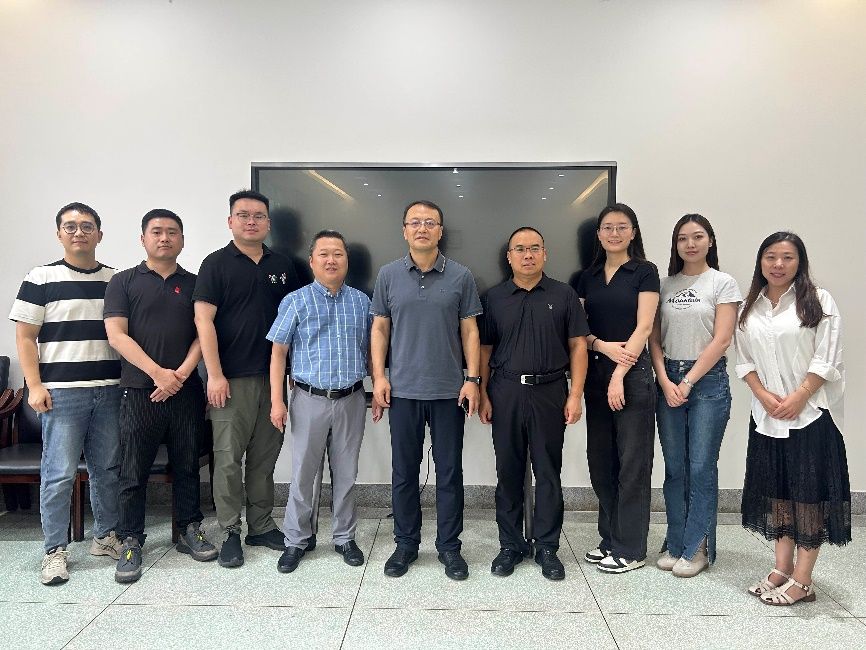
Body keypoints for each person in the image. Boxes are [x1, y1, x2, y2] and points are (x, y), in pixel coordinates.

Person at [9, 202, 123, 585]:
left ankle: (105, 536)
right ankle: (54, 551)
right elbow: (25, 337)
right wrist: (34, 385)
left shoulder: (116, 280)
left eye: (87, 226)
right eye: (70, 226)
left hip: (109, 391)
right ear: (59, 233)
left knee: (107, 470)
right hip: (62, 394)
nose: (79, 232)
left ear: (99, 234)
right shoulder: (41, 277)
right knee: (58, 474)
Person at [104, 209, 218, 583]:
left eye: (172, 232)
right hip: (140, 391)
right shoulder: (123, 282)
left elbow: (204, 333)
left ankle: (189, 529)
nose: (164, 238)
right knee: (132, 470)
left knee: (187, 465)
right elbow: (117, 335)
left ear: (182, 240)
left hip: (186, 391)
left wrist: (180, 375)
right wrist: (158, 374)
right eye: (156, 232)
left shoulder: (196, 283)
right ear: (143, 239)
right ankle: (130, 540)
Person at [371, 200, 482, 581]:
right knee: (404, 472)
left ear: (440, 231)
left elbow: (470, 330)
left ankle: (450, 547)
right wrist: (379, 377)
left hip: (449, 391)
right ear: (404, 230)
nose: (422, 228)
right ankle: (406, 544)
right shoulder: (388, 275)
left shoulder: (461, 275)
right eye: (415, 222)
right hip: (402, 390)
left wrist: (472, 379)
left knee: (450, 473)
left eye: (430, 223)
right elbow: (380, 328)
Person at [736, 232, 849, 606]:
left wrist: (800, 396)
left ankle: (803, 580)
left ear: (800, 262)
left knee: (808, 496)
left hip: (810, 414)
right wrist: (762, 394)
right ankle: (782, 569)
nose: (778, 264)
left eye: (787, 257)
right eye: (771, 256)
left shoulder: (818, 300)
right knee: (778, 493)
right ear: (761, 261)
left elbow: (827, 358)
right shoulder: (750, 307)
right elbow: (744, 361)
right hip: (767, 415)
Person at [193, 190, 301, 568]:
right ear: (230, 221)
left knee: (264, 457)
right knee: (227, 460)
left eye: (258, 216)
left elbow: (294, 322)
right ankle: (229, 531)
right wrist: (214, 374)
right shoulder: (215, 264)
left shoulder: (283, 264)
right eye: (243, 215)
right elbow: (203, 320)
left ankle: (260, 524)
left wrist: (291, 374)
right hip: (230, 380)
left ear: (268, 223)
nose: (251, 221)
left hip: (273, 379)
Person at [267, 230, 383, 573]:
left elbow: (372, 351)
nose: (331, 260)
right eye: (324, 254)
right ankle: (296, 540)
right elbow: (278, 353)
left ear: (347, 260)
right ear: (312, 261)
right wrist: (277, 401)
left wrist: (377, 388)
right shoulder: (295, 300)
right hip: (308, 399)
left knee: (346, 473)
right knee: (303, 474)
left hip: (352, 398)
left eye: (338, 254)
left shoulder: (362, 302)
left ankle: (344, 537)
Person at [479, 227, 588, 581]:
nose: (528, 255)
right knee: (508, 472)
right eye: (520, 249)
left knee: (548, 472)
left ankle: (547, 547)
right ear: (509, 256)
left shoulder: (564, 294)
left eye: (534, 248)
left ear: (545, 254)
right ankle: (510, 545)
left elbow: (578, 346)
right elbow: (485, 349)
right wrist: (483, 393)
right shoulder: (494, 298)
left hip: (550, 392)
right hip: (506, 391)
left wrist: (575, 395)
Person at [648, 214, 741, 577]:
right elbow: (654, 339)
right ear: (675, 244)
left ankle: (698, 547)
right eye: (683, 238)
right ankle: (675, 543)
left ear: (710, 241)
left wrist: (687, 382)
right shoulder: (664, 285)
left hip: (707, 381)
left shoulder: (722, 283)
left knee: (701, 467)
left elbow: (723, 339)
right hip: (668, 378)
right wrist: (664, 380)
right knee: (675, 468)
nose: (690, 244)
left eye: (698, 236)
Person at [576, 203, 660, 574]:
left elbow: (644, 327)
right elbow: (579, 329)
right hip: (595, 373)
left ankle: (632, 547)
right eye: (607, 227)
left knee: (632, 465)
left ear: (633, 232)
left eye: (622, 227)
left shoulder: (644, 271)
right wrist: (600, 346)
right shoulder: (588, 277)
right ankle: (610, 538)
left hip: (632, 376)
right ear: (598, 234)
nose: (614, 233)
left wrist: (618, 374)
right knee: (601, 462)